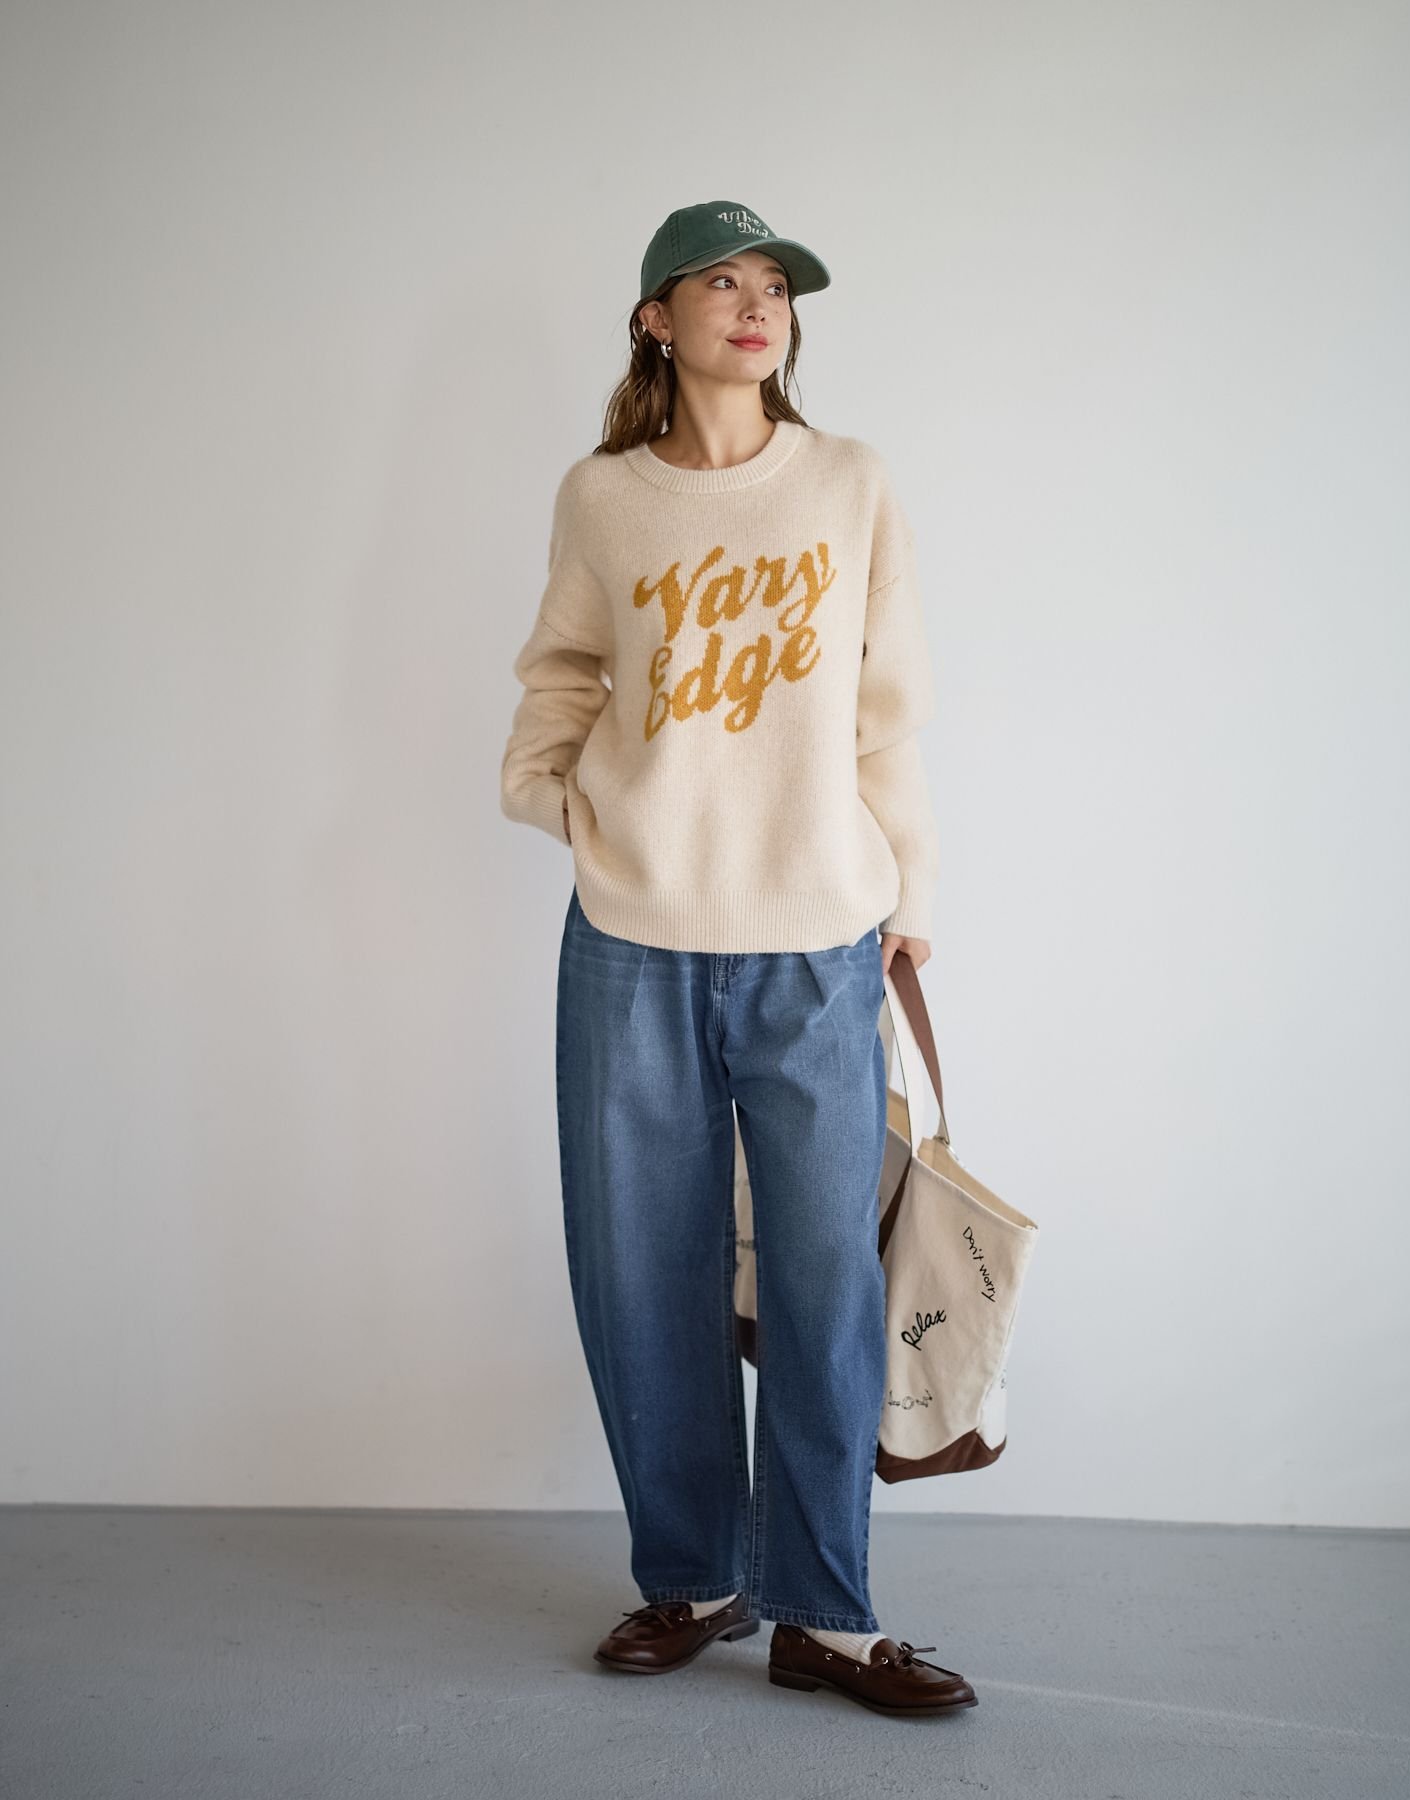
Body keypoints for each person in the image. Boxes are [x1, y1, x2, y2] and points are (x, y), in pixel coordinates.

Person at [499, 200, 976, 1719]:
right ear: (658, 317)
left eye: (774, 285)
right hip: (633, 940)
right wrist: (560, 802)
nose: (754, 304)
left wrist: (908, 891)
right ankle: (694, 1577)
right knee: (643, 1270)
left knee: (829, 1283)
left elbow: (887, 708)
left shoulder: (847, 482)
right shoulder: (604, 497)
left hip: (816, 941)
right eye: (720, 281)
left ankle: (824, 1614)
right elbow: (561, 673)